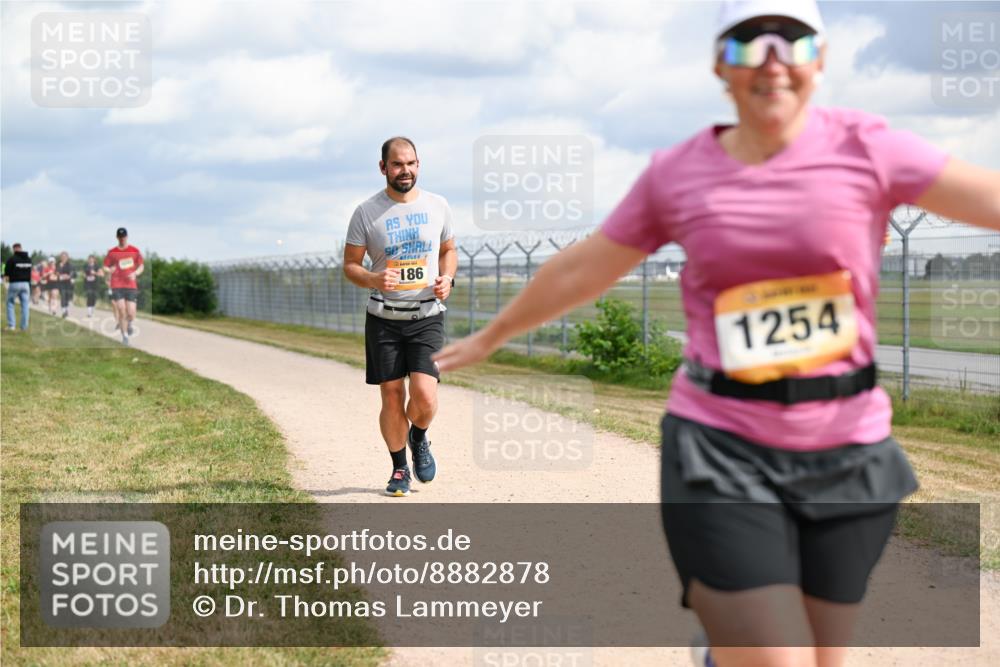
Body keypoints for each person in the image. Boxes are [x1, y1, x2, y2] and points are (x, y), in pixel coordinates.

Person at [432, 1, 1000, 665]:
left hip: (848, 448)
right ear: (716, 65)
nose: (770, 58)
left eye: (792, 39)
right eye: (745, 42)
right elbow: (584, 267)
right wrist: (490, 335)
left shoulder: (870, 148)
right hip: (721, 444)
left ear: (820, 59)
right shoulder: (677, 174)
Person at [343, 137, 458, 497]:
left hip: (426, 314)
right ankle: (398, 470)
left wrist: (448, 279)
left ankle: (418, 436)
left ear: (418, 164)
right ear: (383, 168)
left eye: (410, 163)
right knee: (392, 396)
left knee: (424, 396)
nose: (404, 170)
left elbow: (449, 249)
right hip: (383, 317)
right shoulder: (366, 212)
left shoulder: (438, 205)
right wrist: (374, 278)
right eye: (397, 164)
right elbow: (350, 265)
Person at [103, 227, 144, 345]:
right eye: (120, 237)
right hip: (117, 284)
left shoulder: (134, 250)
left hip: (131, 285)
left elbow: (141, 266)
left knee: (131, 313)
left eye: (124, 237)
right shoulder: (112, 252)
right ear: (117, 237)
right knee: (121, 310)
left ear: (127, 236)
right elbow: (105, 266)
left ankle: (129, 323)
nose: (122, 239)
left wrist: (135, 273)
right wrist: (109, 269)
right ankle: (125, 337)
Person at [3, 243, 33, 331]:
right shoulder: (28, 259)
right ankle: (24, 327)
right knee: (25, 305)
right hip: (26, 284)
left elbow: (6, 274)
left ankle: (11, 325)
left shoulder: (12, 259)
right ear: (21, 248)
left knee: (10, 303)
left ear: (14, 249)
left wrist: (5, 284)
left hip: (15, 283)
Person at [56, 251, 75, 319]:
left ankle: (66, 310)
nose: (63, 258)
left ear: (67, 257)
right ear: (60, 257)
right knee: (63, 296)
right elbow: (57, 273)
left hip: (68, 284)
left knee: (67, 297)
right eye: (62, 257)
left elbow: (71, 273)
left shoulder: (70, 265)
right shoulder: (58, 264)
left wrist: (68, 276)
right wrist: (61, 269)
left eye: (65, 257)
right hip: (61, 283)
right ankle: (64, 312)